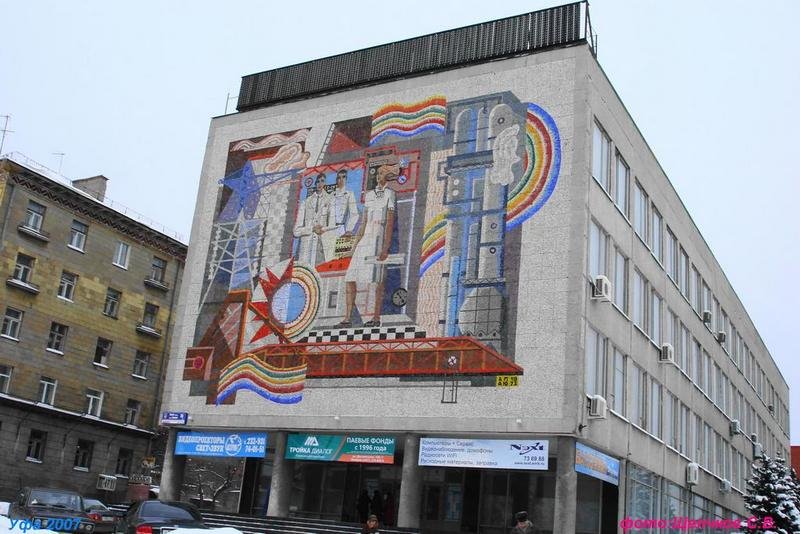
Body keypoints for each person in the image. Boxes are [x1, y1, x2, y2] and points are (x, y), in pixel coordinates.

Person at [338, 163, 398, 328]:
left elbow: (389, 223)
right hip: (365, 239)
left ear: (387, 176)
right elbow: (363, 223)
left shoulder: (390, 194)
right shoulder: (369, 195)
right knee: (350, 278)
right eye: (377, 173)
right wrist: (353, 247)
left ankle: (376, 318)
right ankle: (347, 318)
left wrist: (385, 247)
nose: (379, 176)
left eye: (382, 173)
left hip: (378, 238)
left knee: (376, 280)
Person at [319, 168, 359, 261]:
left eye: (343, 177)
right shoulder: (330, 196)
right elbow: (323, 213)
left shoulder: (349, 194)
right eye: (339, 178)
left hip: (341, 230)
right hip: (329, 231)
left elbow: (354, 214)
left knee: (341, 258)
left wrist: (349, 230)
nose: (341, 180)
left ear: (346, 179)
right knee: (329, 259)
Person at [293, 172, 330, 266]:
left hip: (322, 247)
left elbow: (332, 225)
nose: (320, 184)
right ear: (315, 183)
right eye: (318, 181)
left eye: (322, 181)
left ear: (325, 183)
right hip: (306, 248)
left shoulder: (330, 200)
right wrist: (312, 229)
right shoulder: (306, 202)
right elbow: (296, 231)